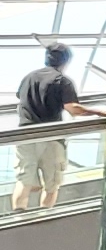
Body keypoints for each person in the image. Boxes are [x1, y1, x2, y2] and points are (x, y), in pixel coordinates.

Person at [12, 45, 96, 214]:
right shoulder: (62, 81)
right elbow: (73, 109)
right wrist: (101, 113)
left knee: (24, 180)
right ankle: (45, 217)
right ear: (66, 61)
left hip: (24, 135)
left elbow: (20, 97)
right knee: (52, 184)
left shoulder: (29, 77)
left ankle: (18, 218)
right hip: (51, 136)